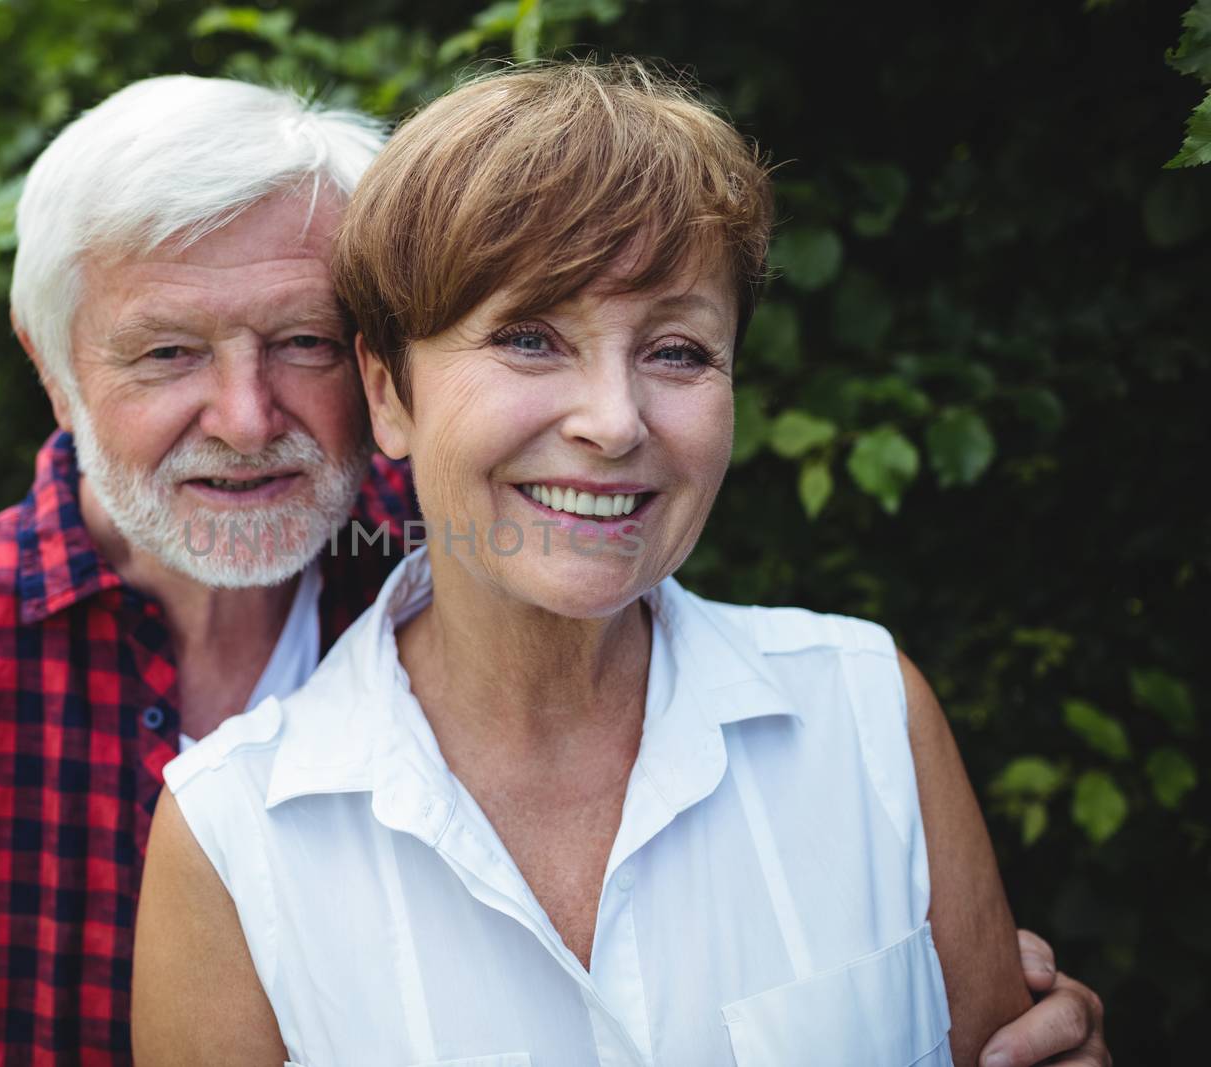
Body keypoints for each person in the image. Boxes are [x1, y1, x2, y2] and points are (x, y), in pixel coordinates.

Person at [0, 74, 1106, 1065]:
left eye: (303, 341)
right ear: (54, 368)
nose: (250, 417)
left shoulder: (514, 543)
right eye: (165, 353)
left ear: (375, 372)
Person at [132, 63, 1108, 1067]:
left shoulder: (866, 713)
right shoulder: (232, 834)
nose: (612, 421)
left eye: (678, 351)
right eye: (528, 337)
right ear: (388, 391)